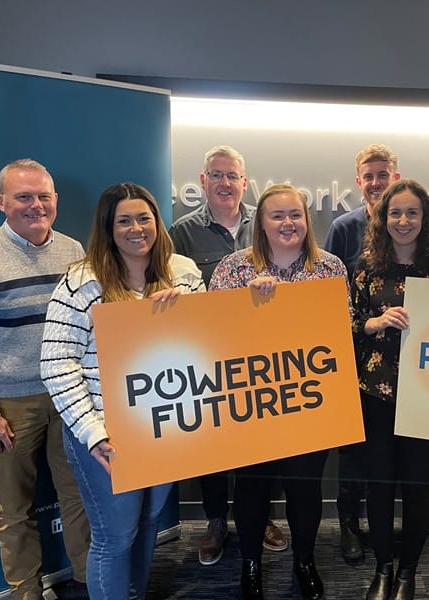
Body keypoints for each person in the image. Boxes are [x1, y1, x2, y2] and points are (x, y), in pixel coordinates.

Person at [40, 183, 204, 599]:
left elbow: (206, 341)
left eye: (144, 218)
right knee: (115, 537)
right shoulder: (81, 281)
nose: (136, 229)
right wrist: (94, 433)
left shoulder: (182, 273)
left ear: (157, 222)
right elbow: (57, 363)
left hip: (163, 427)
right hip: (106, 434)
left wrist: (184, 312)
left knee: (148, 523)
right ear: (108, 228)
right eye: (124, 221)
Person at [0, 158, 90, 600]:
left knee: (80, 498)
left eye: (43, 196)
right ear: (2, 202)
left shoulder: (75, 252)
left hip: (70, 396)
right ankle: (25, 593)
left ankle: (91, 582)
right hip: (8, 405)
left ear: (55, 200)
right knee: (14, 510)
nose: (36, 205)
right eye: (23, 197)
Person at [210, 183, 349, 600]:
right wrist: (246, 306)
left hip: (308, 401)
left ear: (307, 221)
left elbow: (341, 330)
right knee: (251, 488)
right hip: (251, 403)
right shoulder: (233, 269)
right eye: (277, 216)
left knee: (305, 489)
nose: (288, 223)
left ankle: (304, 561)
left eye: (295, 215)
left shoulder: (329, 268)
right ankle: (250, 565)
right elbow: (211, 331)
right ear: (261, 223)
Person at [169, 145, 287, 564]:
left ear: (245, 181)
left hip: (264, 354)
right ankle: (216, 521)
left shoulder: (269, 221)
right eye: (215, 175)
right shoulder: (182, 231)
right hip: (210, 354)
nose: (224, 183)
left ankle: (262, 518)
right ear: (203, 181)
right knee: (213, 447)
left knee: (262, 446)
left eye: (231, 175)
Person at [352, 179, 429, 600]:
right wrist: (374, 323)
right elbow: (346, 324)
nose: (403, 221)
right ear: (383, 218)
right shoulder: (364, 266)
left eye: (412, 213)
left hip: (426, 394)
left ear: (425, 218)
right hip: (376, 395)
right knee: (378, 486)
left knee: (418, 487)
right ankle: (383, 567)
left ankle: (408, 572)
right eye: (395, 213)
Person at [324, 143, 400, 564]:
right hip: (351, 354)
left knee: (390, 449)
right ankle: (349, 526)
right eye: (368, 176)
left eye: (382, 173)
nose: (375, 182)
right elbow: (330, 295)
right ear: (358, 181)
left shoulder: (409, 223)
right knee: (353, 451)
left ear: (396, 176)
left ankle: (384, 525)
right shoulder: (343, 228)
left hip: (396, 360)